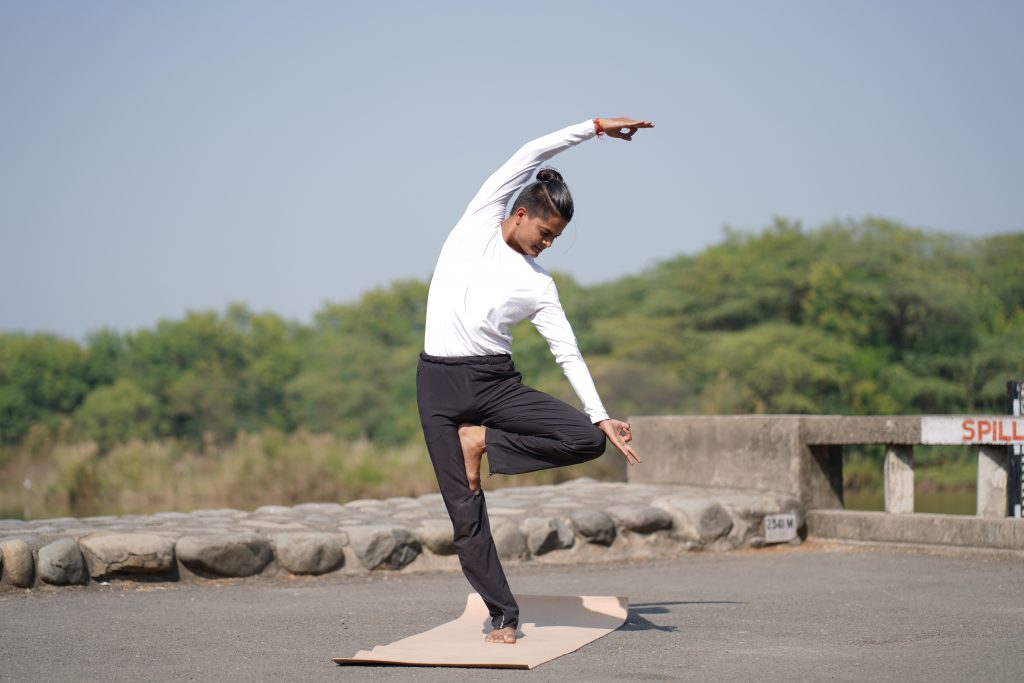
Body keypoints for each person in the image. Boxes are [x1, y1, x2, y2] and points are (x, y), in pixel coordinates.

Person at [416, 116, 654, 645]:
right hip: (437, 384)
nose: (548, 244)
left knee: (587, 440)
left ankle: (483, 442)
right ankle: (503, 613)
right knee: (465, 511)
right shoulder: (477, 223)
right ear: (519, 214)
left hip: (494, 384)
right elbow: (529, 150)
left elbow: (566, 351)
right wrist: (594, 128)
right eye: (545, 233)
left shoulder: (539, 285)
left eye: (556, 239)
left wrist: (601, 416)